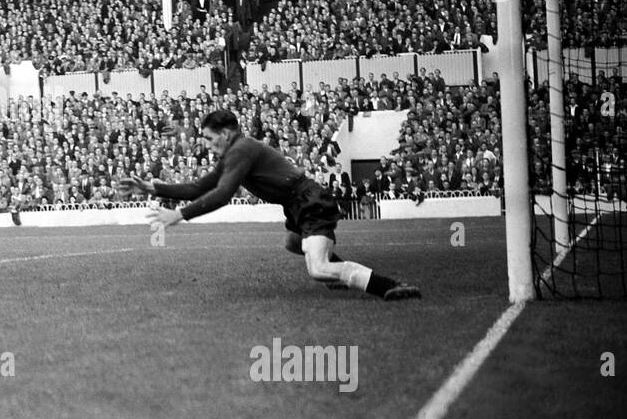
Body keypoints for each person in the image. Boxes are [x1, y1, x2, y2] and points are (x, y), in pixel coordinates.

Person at [117, 109, 420, 300]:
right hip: (297, 202)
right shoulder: (236, 152)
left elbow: (221, 195)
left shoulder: (241, 150)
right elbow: (198, 187)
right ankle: (336, 269)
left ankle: (387, 285)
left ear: (225, 133)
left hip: (307, 200)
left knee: (317, 269)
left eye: (210, 140)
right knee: (292, 242)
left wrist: (178, 215)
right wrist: (151, 187)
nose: (209, 147)